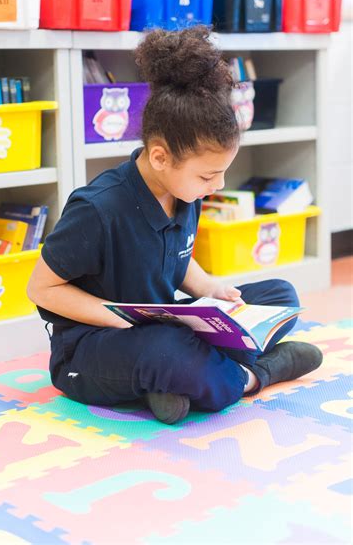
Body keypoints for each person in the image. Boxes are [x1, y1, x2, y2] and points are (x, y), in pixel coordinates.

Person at [27, 26, 323, 425]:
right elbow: (40, 289)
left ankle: (170, 386)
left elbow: (174, 258)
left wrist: (212, 290)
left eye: (221, 173)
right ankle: (257, 375)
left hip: (163, 323)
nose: (216, 186)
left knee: (279, 294)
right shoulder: (97, 209)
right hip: (92, 346)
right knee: (167, 349)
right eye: (207, 176)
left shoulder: (184, 193)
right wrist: (117, 316)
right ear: (161, 157)